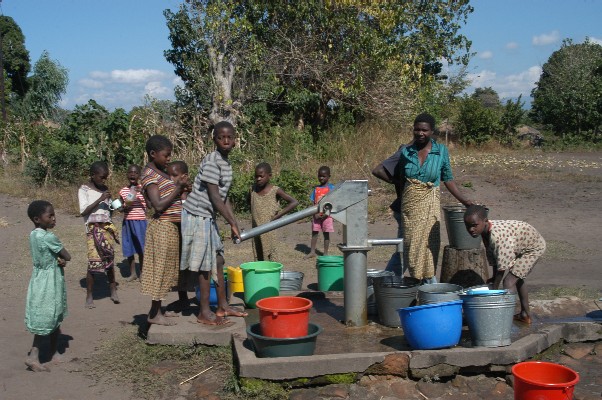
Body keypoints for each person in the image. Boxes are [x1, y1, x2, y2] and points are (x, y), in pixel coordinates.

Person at [180, 121, 247, 325]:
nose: (225, 140)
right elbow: (214, 196)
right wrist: (231, 223)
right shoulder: (212, 162)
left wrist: (233, 222)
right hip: (197, 214)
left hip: (208, 216)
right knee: (205, 265)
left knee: (218, 260)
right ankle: (204, 311)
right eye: (221, 137)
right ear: (214, 139)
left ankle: (222, 306)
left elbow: (224, 198)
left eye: (229, 137)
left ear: (235, 140)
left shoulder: (226, 163)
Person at [394, 113, 473, 284]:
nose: (420, 133)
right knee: (411, 244)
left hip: (430, 201)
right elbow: (400, 180)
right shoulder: (406, 151)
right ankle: (417, 281)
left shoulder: (441, 151)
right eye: (417, 129)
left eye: (424, 130)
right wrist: (401, 201)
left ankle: (428, 284)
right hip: (410, 205)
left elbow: (448, 178)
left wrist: (464, 200)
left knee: (430, 243)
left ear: (432, 131)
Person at [464, 205, 546, 325]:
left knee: (509, 282)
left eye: (474, 225)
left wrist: (494, 289)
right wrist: (493, 278)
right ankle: (525, 314)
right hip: (518, 243)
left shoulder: (497, 237)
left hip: (532, 247)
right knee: (517, 276)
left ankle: (504, 321)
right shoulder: (485, 232)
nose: (471, 229)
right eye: (468, 226)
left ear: (485, 221)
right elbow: (497, 258)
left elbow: (502, 268)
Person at [140, 135, 188, 326]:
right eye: (166, 155)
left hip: (169, 228)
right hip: (162, 228)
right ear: (153, 154)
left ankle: (159, 309)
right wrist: (178, 188)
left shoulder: (160, 173)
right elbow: (158, 206)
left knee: (166, 270)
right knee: (159, 271)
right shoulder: (150, 175)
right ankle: (154, 313)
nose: (169, 159)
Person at [24, 200, 71, 372]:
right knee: (49, 314)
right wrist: (61, 258)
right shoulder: (49, 237)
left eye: (53, 215)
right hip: (50, 281)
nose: (53, 219)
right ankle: (34, 356)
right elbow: (67, 255)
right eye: (49, 216)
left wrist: (55, 260)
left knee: (53, 312)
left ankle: (54, 351)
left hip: (38, 278)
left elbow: (45, 256)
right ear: (37, 219)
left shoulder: (33, 235)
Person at [78, 161, 120, 308]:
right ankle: (89, 295)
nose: (104, 180)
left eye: (106, 177)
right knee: (93, 262)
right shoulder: (84, 190)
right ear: (93, 175)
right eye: (102, 177)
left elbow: (110, 209)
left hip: (106, 229)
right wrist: (100, 199)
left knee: (109, 260)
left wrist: (120, 203)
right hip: (92, 230)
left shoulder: (105, 189)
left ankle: (113, 290)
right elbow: (83, 211)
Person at [371, 139, 413, 276]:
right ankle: (387, 283)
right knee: (405, 251)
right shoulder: (406, 151)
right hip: (405, 208)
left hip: (413, 208)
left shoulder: (420, 151)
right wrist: (400, 183)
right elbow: (378, 170)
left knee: (412, 250)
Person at [248, 162, 299, 261]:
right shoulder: (252, 189)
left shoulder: (275, 190)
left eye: (261, 176)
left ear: (269, 176)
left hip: (270, 231)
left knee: (270, 256)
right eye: (256, 176)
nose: (258, 179)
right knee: (258, 256)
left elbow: (294, 202)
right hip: (256, 230)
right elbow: (249, 202)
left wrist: (278, 216)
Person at [118, 164, 147, 282]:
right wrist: (123, 206)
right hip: (128, 222)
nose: (132, 174)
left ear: (139, 176)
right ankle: (133, 273)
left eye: (135, 173)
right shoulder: (123, 191)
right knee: (128, 246)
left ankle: (143, 273)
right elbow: (120, 207)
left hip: (140, 222)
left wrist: (143, 193)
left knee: (142, 248)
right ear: (127, 175)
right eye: (130, 172)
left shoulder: (143, 189)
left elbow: (149, 205)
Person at [304, 166, 335, 259]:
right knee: (314, 233)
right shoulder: (316, 189)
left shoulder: (332, 188)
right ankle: (312, 252)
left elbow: (334, 202)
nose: (321, 178)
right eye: (319, 176)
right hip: (316, 215)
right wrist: (315, 214)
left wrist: (326, 214)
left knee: (326, 234)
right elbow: (313, 203)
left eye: (324, 176)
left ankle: (325, 253)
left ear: (329, 176)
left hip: (327, 215)